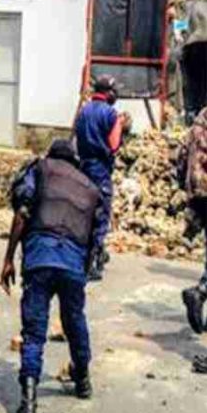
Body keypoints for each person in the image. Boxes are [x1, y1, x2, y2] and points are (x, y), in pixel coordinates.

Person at [0, 139, 100, 413]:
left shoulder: (40, 169)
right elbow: (95, 238)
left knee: (34, 331)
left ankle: (29, 405)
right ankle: (82, 380)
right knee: (74, 320)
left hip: (41, 257)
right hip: (73, 263)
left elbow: (22, 213)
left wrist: (8, 258)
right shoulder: (90, 187)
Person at [74, 75, 131, 281]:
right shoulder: (111, 114)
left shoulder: (83, 111)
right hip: (100, 170)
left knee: (84, 212)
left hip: (83, 168)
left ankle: (85, 254)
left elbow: (76, 137)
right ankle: (93, 262)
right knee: (100, 215)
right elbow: (114, 145)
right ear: (110, 93)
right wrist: (123, 129)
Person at [177, 107, 207, 340]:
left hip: (199, 193)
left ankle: (201, 292)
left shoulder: (199, 121)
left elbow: (180, 155)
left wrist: (187, 190)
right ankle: (200, 292)